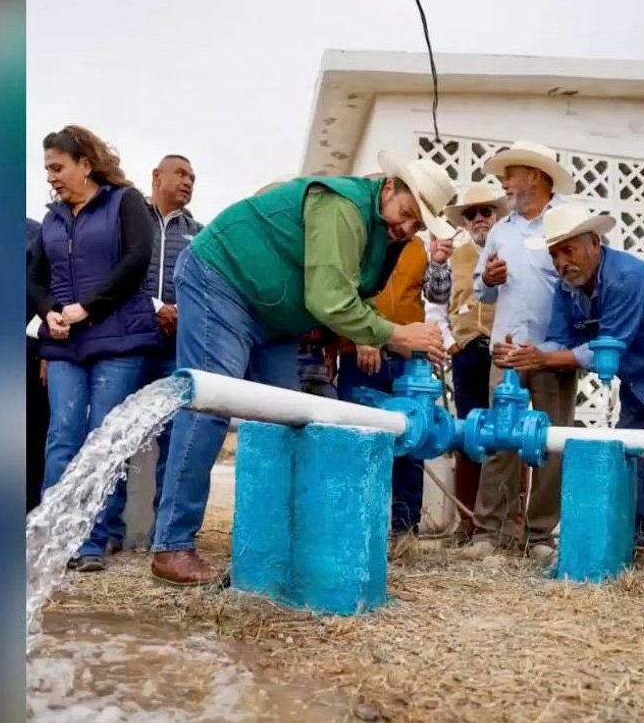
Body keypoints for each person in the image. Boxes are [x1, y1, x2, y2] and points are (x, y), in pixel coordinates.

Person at [149, 151, 456, 585]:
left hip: (276, 316)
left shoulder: (384, 233)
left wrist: (375, 332)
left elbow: (352, 292)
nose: (407, 228)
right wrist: (399, 334)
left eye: (417, 225)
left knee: (287, 419)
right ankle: (171, 545)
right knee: (209, 405)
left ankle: (273, 541)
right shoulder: (343, 206)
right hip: (222, 278)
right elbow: (330, 300)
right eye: (407, 214)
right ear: (389, 188)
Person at [516, 202, 644, 560]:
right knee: (629, 445)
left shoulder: (626, 278)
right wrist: (526, 354)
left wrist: (544, 359)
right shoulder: (567, 288)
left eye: (569, 250)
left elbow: (607, 349)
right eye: (554, 254)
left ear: (594, 243)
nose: (562, 262)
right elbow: (559, 341)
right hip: (640, 368)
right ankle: (635, 536)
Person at [27, 125, 160, 571]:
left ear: (86, 165)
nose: (51, 177)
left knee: (104, 437)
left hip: (118, 339)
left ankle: (92, 541)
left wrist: (87, 308)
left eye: (58, 167)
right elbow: (35, 279)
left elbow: (137, 258)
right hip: (65, 343)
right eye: (48, 169)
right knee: (61, 436)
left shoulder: (126, 203)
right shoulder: (51, 218)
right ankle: (51, 536)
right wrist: (48, 312)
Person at [464, 142, 577, 564]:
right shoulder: (500, 230)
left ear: (535, 176)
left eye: (510, 174)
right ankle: (493, 531)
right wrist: (488, 278)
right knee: (500, 437)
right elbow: (482, 289)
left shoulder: (566, 222)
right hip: (507, 352)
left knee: (549, 440)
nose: (504, 182)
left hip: (552, 352)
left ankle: (540, 535)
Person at [334, 221, 454, 560]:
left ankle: (405, 534)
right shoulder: (356, 240)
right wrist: (362, 337)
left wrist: (440, 262)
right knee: (361, 441)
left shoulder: (418, 247)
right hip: (362, 352)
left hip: (408, 357)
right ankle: (359, 531)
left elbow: (437, 295)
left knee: (412, 444)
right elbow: (343, 293)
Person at [106, 154, 204, 550]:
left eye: (193, 177)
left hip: (174, 348)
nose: (188, 182)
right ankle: (109, 531)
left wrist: (184, 311)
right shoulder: (127, 221)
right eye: (180, 174)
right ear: (156, 176)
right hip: (129, 341)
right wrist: (155, 308)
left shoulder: (199, 233)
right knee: (118, 432)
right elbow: (114, 275)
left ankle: (165, 535)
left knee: (177, 436)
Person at [441, 183, 506, 545]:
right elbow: (436, 307)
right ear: (465, 221)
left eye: (486, 211)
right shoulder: (452, 254)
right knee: (468, 435)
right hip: (466, 352)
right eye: (471, 213)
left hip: (503, 353)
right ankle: (467, 521)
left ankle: (505, 519)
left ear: (496, 215)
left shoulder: (510, 248)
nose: (479, 218)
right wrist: (450, 343)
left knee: (506, 433)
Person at [27, 217, 51, 514]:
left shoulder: (34, 233)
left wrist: (48, 350)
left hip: (29, 355)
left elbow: (46, 292)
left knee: (33, 442)